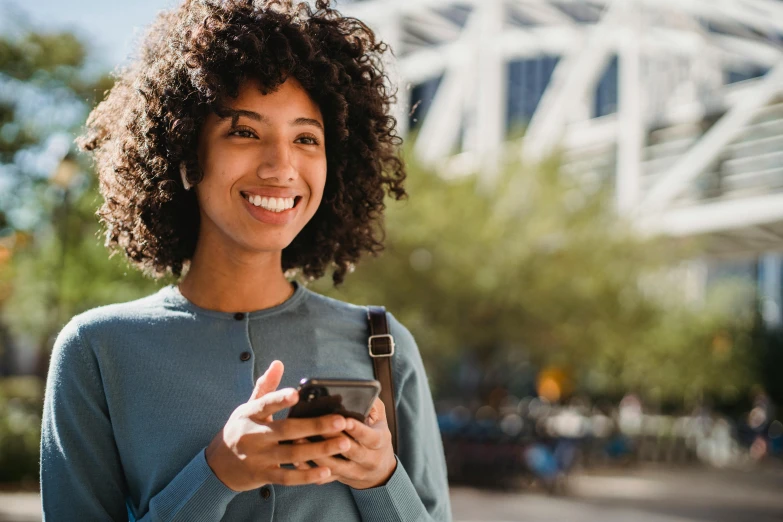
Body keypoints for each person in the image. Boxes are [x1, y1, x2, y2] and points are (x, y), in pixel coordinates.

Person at [39, 0, 452, 520]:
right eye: (244, 132)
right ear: (187, 156)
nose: (282, 166)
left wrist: (381, 479)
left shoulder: (382, 345)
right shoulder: (96, 350)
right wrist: (218, 472)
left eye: (306, 138)